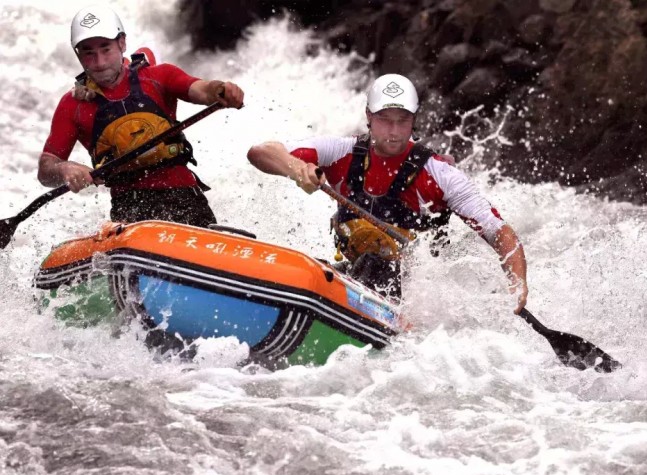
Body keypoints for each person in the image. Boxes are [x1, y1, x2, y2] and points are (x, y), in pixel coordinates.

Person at [246, 74, 528, 313]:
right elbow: (261, 152)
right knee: (323, 266)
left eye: (402, 120)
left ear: (413, 120)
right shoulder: (339, 151)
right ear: (368, 117)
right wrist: (296, 168)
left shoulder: (441, 175)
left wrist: (517, 284)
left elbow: (499, 232)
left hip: (410, 293)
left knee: (375, 265)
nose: (393, 131)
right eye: (384, 119)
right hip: (354, 275)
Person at [37, 5, 245, 228]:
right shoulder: (72, 105)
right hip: (129, 211)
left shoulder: (159, 76)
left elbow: (202, 90)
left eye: (106, 49)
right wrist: (65, 169)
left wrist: (221, 90)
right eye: (88, 53)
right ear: (78, 55)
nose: (99, 62)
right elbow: (46, 169)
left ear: (122, 43)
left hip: (185, 197)